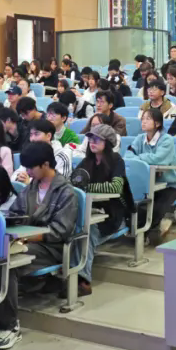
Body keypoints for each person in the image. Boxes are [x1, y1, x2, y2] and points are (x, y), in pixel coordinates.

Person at [11, 142, 81, 299]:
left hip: (51, 248)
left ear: (46, 164)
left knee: (9, 259)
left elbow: (60, 231)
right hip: (26, 241)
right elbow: (15, 215)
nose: (28, 172)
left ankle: (4, 308)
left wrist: (27, 238)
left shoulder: (66, 192)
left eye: (31, 168)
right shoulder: (29, 189)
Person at [78, 124, 129, 295]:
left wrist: (88, 187)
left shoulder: (117, 160)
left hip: (111, 214)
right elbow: (74, 182)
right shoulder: (87, 161)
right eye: (90, 138)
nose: (92, 142)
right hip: (89, 210)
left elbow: (116, 187)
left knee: (88, 230)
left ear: (107, 142)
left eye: (97, 139)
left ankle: (83, 280)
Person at [126, 108, 176, 244]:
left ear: (157, 123)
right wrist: (143, 159)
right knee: (132, 206)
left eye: (148, 119)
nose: (143, 122)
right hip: (146, 184)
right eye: (142, 119)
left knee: (155, 210)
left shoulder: (167, 139)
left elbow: (159, 159)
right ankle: (141, 231)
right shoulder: (139, 138)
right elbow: (128, 155)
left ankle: (145, 233)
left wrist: (139, 158)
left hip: (168, 185)